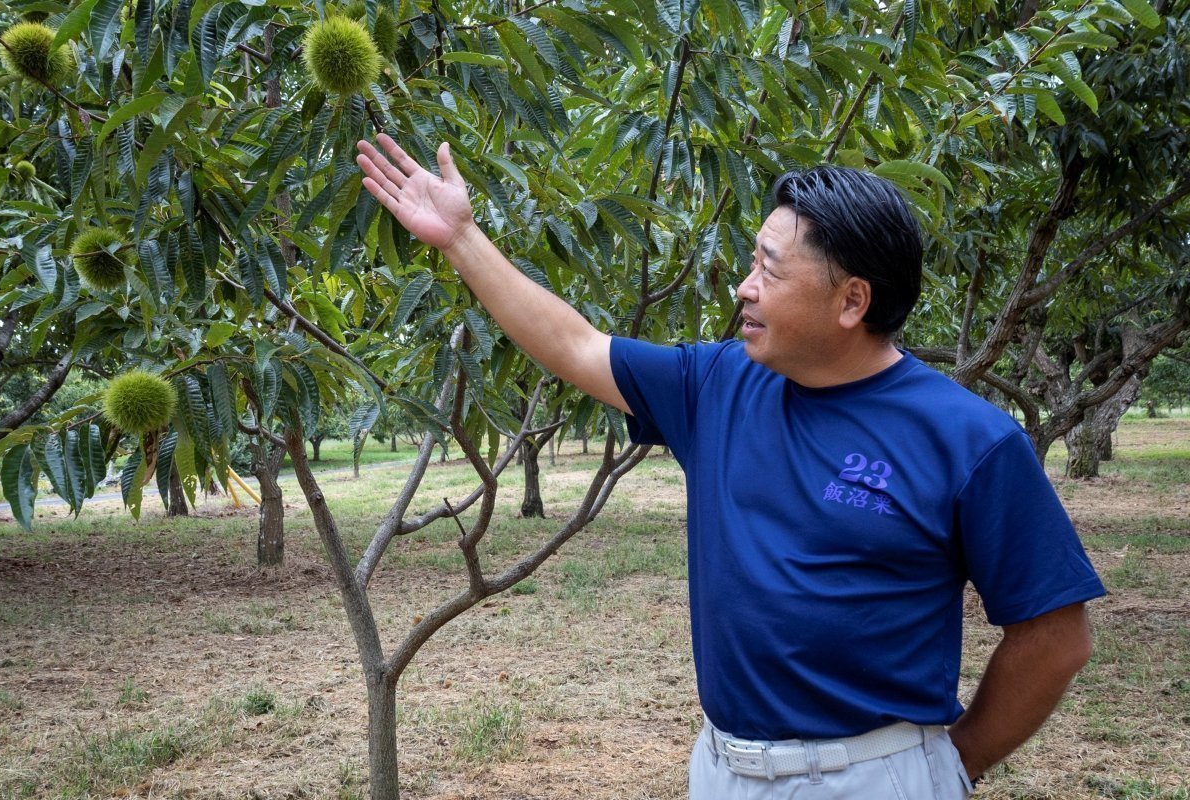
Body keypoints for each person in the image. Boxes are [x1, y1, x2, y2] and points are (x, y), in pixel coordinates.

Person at [356, 133, 1106, 799]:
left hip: (876, 775)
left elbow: (1055, 636)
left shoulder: (968, 439)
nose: (743, 287)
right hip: (723, 769)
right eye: (752, 260)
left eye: (769, 270)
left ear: (852, 301)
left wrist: (952, 764)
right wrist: (461, 238)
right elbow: (577, 345)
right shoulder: (716, 384)